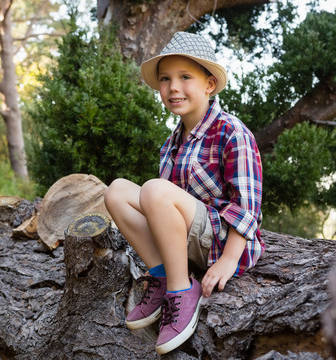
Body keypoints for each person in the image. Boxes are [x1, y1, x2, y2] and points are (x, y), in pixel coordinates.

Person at [104, 31, 264, 355]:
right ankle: (163, 275)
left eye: (185, 77)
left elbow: (247, 207)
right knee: (117, 191)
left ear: (209, 84)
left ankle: (181, 291)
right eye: (165, 79)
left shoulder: (232, 131)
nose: (173, 87)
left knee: (154, 190)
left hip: (221, 244)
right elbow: (163, 209)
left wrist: (229, 261)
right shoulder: (172, 142)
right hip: (186, 241)